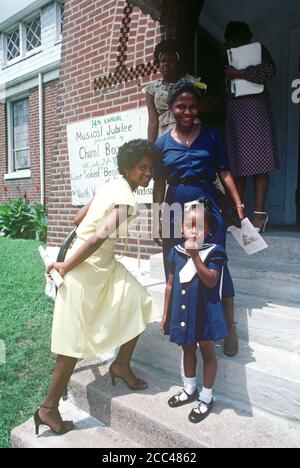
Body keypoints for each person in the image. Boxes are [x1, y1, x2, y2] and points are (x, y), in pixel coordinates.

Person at [34, 140, 162, 436]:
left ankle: (121, 365)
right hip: (84, 269)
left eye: (151, 168)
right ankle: (48, 408)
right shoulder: (126, 199)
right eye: (142, 168)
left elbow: (80, 220)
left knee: (140, 302)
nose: (148, 174)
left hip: (103, 265)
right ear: (128, 167)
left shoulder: (110, 186)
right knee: (72, 345)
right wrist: (65, 266)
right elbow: (96, 238)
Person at [153, 79, 245, 358]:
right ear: (171, 108)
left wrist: (238, 203)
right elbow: (158, 184)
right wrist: (158, 217)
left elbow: (224, 172)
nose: (188, 111)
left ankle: (229, 327)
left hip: (208, 208)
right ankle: (180, 322)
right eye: (181, 106)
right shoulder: (161, 143)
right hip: (174, 208)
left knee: (217, 265)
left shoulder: (213, 135)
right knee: (176, 267)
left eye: (193, 106)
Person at [161, 199, 228, 423]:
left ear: (208, 231)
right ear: (181, 228)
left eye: (200, 226)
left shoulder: (214, 252)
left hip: (204, 313)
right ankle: (189, 389)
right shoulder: (175, 252)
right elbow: (170, 285)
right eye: (189, 225)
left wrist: (196, 257)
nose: (193, 230)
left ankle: (207, 397)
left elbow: (211, 281)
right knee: (187, 349)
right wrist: (165, 315)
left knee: (207, 353)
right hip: (182, 313)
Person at [224, 21, 280, 232]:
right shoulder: (227, 57)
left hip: (254, 108)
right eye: (230, 39)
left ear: (247, 37)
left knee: (259, 162)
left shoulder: (258, 51)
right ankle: (240, 216)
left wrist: (239, 73)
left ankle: (259, 215)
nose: (234, 42)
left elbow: (269, 71)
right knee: (237, 165)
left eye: (238, 38)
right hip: (235, 111)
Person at [146, 39, 204, 143]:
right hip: (164, 133)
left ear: (177, 63)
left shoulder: (189, 81)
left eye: (170, 61)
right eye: (163, 61)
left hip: (189, 129)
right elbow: (153, 121)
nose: (166, 64)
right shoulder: (152, 89)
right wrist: (150, 146)